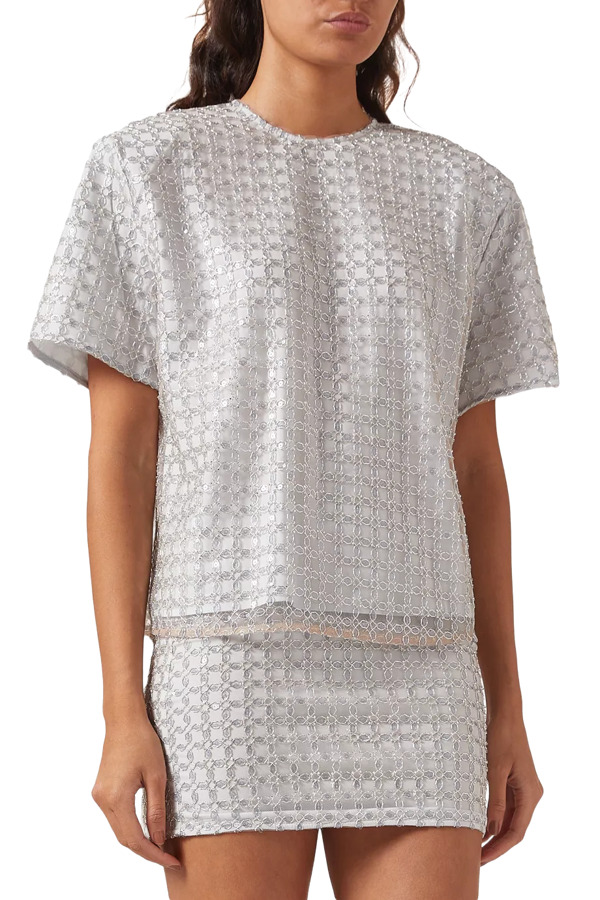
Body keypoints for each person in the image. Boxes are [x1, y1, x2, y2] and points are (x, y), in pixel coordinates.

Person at [26, 2, 560, 898]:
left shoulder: (469, 195)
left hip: (422, 671)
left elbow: (475, 469)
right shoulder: (145, 173)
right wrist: (122, 706)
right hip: (227, 663)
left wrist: (507, 707)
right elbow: (121, 457)